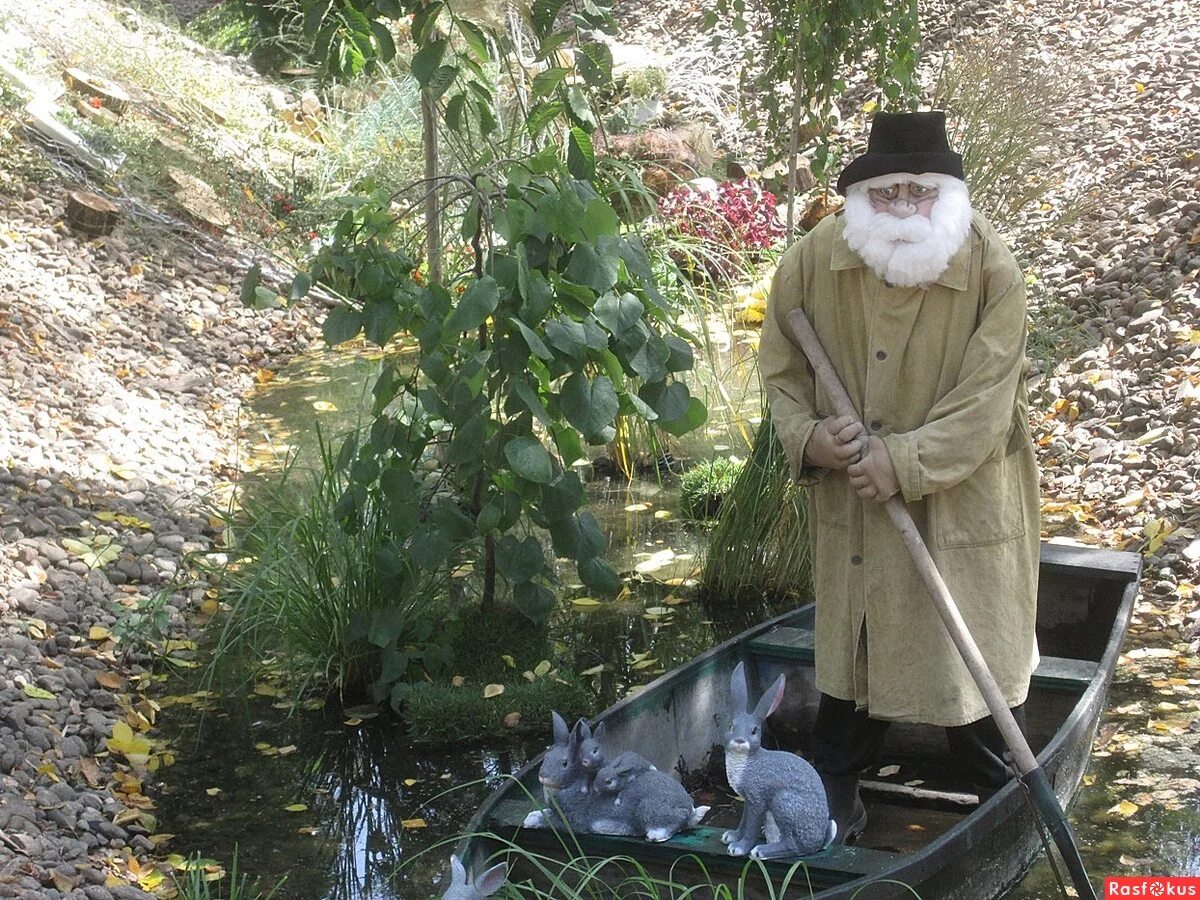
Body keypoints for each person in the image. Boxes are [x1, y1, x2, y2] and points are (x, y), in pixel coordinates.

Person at [757, 111, 1041, 843]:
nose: (906, 208)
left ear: (945, 193)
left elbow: (986, 405)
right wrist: (814, 439)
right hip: (854, 508)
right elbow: (781, 376)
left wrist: (903, 460)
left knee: (964, 659)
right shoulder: (814, 259)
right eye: (889, 193)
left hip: (961, 500)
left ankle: (999, 792)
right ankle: (835, 793)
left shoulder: (991, 267)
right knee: (853, 656)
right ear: (861, 197)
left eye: (920, 191)